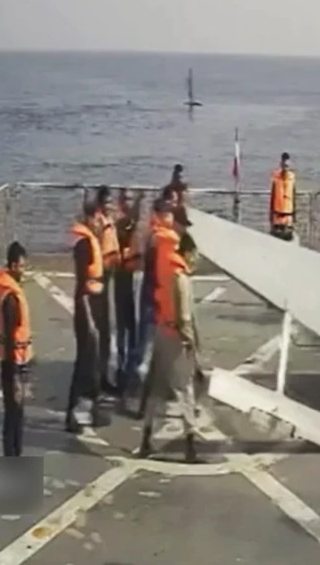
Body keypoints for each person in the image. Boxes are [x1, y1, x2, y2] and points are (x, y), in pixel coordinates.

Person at [137, 231, 201, 462]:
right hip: (176, 338)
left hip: (161, 332)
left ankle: (145, 439)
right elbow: (184, 316)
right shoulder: (181, 278)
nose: (196, 259)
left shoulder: (167, 273)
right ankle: (190, 445)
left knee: (156, 388)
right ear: (188, 253)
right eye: (195, 254)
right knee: (185, 390)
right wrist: (191, 343)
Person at [65, 199, 109, 433]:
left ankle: (92, 410)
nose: (101, 222)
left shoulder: (92, 240)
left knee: (93, 364)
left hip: (94, 303)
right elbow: (82, 285)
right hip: (86, 308)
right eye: (98, 218)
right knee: (84, 363)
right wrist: (90, 319)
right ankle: (71, 415)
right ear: (91, 218)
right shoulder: (83, 245)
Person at [134, 202, 181, 420]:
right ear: (160, 216)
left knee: (156, 353)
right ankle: (141, 398)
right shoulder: (157, 239)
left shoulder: (159, 238)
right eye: (167, 215)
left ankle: (147, 400)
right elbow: (158, 272)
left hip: (157, 299)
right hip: (155, 301)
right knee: (149, 351)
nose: (170, 219)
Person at [0, 241, 32, 457]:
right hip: (13, 363)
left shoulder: (8, 290)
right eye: (22, 266)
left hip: (18, 359)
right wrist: (15, 378)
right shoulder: (10, 298)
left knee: (17, 414)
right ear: (14, 265)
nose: (24, 271)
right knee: (13, 415)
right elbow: (9, 338)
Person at [114, 191, 144, 410]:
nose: (128, 203)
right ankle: (123, 371)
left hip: (133, 279)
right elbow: (128, 221)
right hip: (122, 279)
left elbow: (134, 220)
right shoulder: (119, 223)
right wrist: (139, 203)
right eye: (125, 199)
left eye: (130, 199)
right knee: (124, 326)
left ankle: (130, 369)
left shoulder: (132, 224)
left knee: (133, 327)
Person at [94, 186, 121, 396]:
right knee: (100, 329)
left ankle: (104, 376)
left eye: (111, 202)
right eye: (106, 202)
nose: (109, 206)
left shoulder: (110, 221)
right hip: (100, 279)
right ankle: (98, 377)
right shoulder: (98, 224)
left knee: (107, 330)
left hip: (110, 276)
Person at [269, 152, 297, 242]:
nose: (285, 167)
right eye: (284, 164)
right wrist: (271, 215)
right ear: (281, 164)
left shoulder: (292, 178)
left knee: (288, 242)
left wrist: (294, 216)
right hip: (277, 216)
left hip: (288, 217)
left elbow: (294, 198)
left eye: (287, 165)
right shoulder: (276, 177)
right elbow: (272, 196)